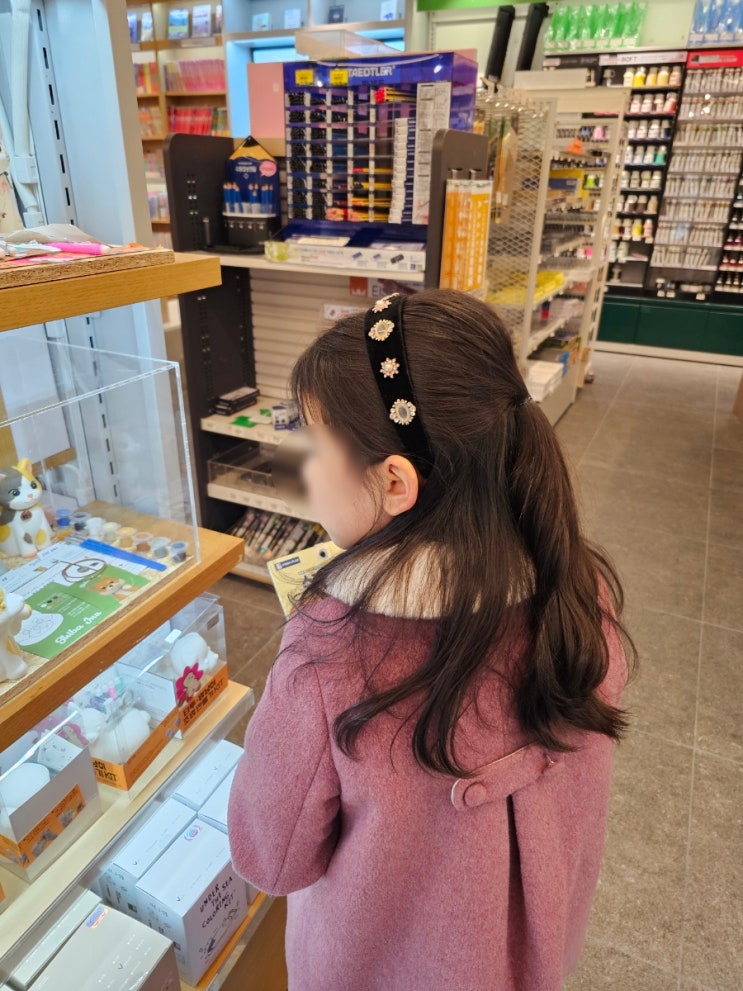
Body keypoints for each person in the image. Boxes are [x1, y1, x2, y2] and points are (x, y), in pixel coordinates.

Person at [227, 288, 634, 991]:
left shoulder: (330, 650)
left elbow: (272, 857)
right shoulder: (582, 591)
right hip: (531, 954)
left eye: (313, 445)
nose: (303, 467)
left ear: (394, 481)